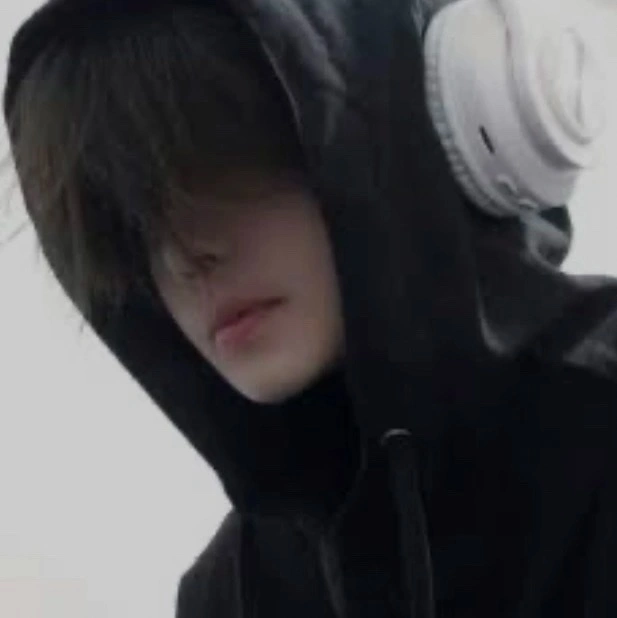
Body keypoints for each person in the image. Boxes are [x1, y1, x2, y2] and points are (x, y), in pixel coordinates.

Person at [4, 0, 617, 616]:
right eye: (138, 221)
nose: (185, 257)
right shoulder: (232, 592)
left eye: (224, 170)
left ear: (398, 117)